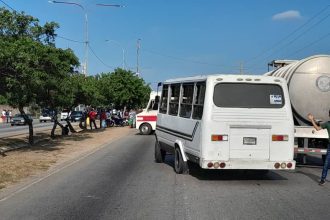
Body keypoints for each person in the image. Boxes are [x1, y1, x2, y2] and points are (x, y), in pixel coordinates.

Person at [308, 110, 330, 186]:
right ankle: (323, 179)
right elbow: (317, 128)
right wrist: (312, 120)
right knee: (326, 164)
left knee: (326, 164)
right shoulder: (327, 124)